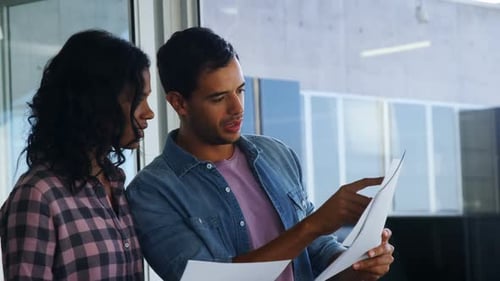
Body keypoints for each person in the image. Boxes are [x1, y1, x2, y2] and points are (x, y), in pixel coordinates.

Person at [126, 27, 394, 281]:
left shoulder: (276, 154)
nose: (237, 108)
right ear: (179, 102)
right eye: (219, 98)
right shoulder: (151, 192)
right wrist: (315, 225)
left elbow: (314, 252)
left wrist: (357, 264)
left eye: (240, 91)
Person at [0, 29, 154, 280]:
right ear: (98, 102)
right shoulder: (38, 195)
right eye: (139, 99)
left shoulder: (115, 184)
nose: (149, 113)